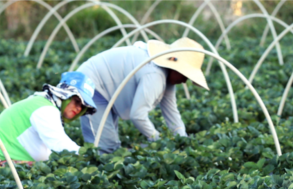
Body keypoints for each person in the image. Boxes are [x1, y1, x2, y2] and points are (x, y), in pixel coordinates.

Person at [76, 37, 208, 153]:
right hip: (91, 84)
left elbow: (171, 112)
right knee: (104, 146)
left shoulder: (166, 76)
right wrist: (158, 140)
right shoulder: (154, 75)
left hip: (107, 86)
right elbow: (137, 115)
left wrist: (182, 140)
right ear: (174, 67)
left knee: (109, 145)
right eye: (185, 75)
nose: (185, 81)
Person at [0, 71, 97, 177]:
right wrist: (91, 158)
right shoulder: (45, 109)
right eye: (76, 101)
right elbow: (60, 145)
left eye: (83, 106)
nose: (79, 108)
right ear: (65, 95)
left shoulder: (44, 104)